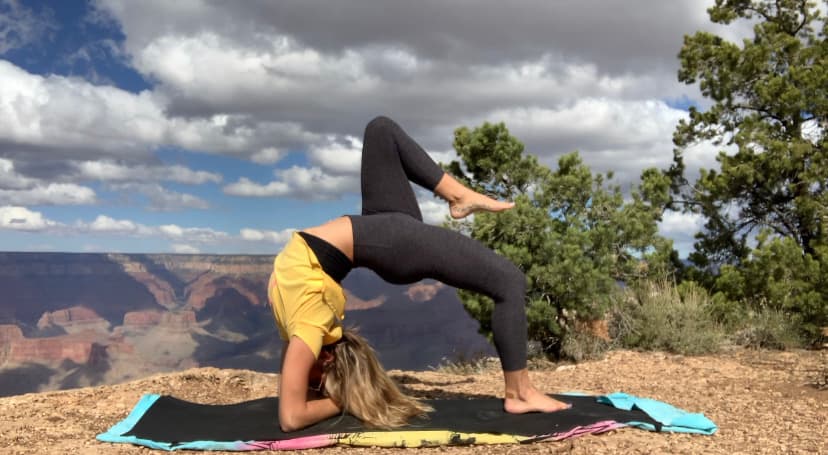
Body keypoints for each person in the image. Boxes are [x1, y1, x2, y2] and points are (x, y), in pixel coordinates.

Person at [268, 116, 571, 432]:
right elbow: (291, 418)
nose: (304, 371)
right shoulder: (309, 327)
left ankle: (458, 196)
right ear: (327, 361)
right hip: (391, 244)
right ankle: (520, 393)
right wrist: (344, 400)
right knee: (508, 280)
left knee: (381, 130)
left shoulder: (300, 332)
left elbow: (294, 386)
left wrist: (321, 389)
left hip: (380, 230)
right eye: (315, 378)